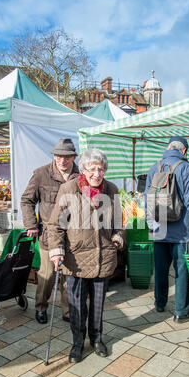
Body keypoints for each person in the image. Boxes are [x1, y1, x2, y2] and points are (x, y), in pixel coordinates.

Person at [48, 148, 124, 363]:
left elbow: (118, 223)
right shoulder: (69, 189)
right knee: (77, 305)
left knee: (98, 304)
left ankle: (97, 339)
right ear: (83, 170)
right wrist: (56, 250)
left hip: (103, 257)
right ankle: (77, 342)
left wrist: (118, 238)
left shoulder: (111, 190)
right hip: (76, 259)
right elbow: (56, 225)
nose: (96, 174)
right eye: (92, 169)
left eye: (100, 169)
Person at [145, 136, 189, 323]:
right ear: (184, 151)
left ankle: (160, 303)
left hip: (159, 229)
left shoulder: (154, 167)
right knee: (181, 272)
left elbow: (146, 200)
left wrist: (151, 225)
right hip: (181, 231)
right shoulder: (187, 168)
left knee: (161, 270)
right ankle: (181, 312)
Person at [20, 138, 79, 325]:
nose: (62, 160)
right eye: (58, 156)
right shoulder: (41, 174)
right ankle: (41, 307)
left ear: (73, 157)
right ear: (54, 156)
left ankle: (68, 311)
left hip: (73, 235)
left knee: (69, 275)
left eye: (67, 157)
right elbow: (26, 200)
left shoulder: (81, 175)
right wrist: (31, 224)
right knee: (47, 274)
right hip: (49, 234)